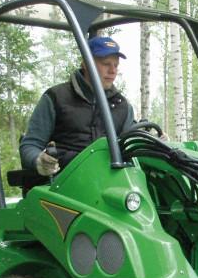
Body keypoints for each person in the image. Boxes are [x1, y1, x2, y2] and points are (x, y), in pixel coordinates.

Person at [20, 36, 135, 176]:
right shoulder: (56, 97)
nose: (112, 71)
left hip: (107, 182)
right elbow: (30, 144)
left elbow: (132, 146)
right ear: (85, 63)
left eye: (116, 65)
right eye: (106, 64)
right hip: (61, 183)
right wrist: (38, 160)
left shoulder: (122, 107)